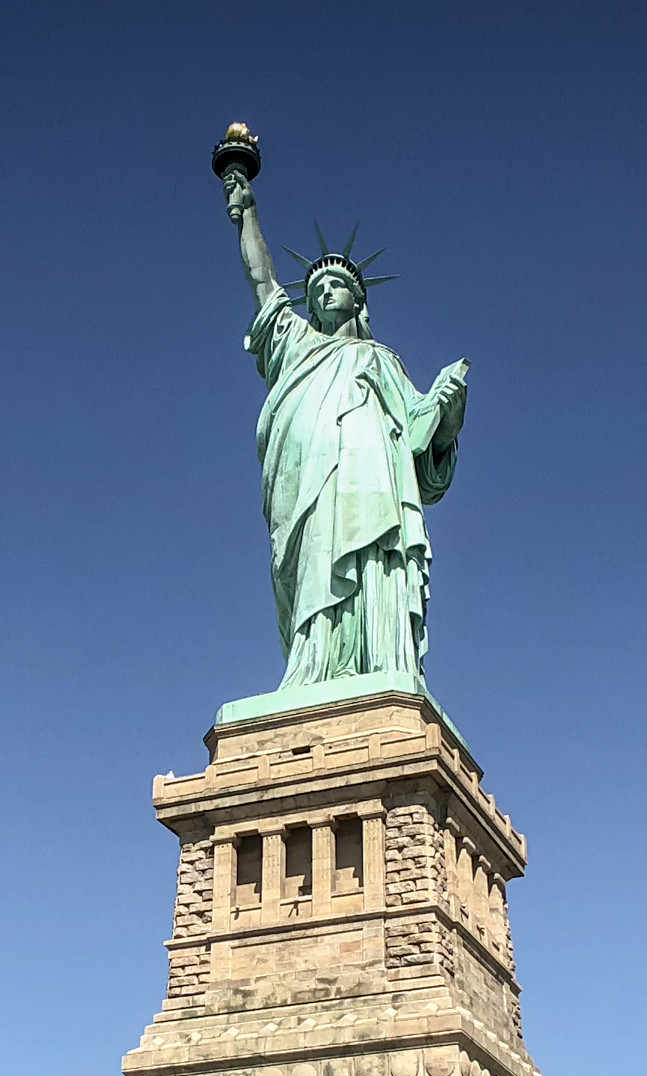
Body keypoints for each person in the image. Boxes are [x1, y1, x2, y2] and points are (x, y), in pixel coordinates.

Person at [220, 167, 469, 691]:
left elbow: (423, 452)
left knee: (373, 559)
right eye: (317, 288)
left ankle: (380, 664)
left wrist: (447, 415)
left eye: (337, 286)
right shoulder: (295, 347)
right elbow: (263, 283)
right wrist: (246, 213)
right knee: (313, 564)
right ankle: (315, 668)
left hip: (371, 488)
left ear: (359, 299)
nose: (325, 294)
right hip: (308, 486)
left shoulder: (380, 360)